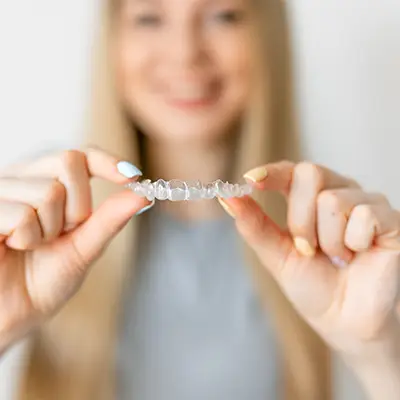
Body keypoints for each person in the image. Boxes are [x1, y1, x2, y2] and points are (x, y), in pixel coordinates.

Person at [0, 0, 399, 399]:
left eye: (222, 15)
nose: (185, 52)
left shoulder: (333, 238)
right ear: (113, 41)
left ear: (267, 36)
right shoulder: (39, 219)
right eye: (150, 18)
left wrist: (377, 350)